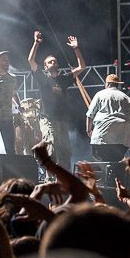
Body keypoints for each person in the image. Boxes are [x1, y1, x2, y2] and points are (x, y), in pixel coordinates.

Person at [27, 31, 85, 169]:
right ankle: (48, 176)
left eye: (55, 61)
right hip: (47, 118)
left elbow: (82, 67)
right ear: (45, 67)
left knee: (65, 151)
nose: (53, 62)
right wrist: (36, 43)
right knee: (51, 145)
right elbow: (30, 60)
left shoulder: (64, 79)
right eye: (50, 62)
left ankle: (63, 178)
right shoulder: (43, 78)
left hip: (61, 120)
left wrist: (76, 48)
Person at [86, 74, 130, 162]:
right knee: (115, 162)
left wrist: (89, 130)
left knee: (102, 162)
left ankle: (105, 175)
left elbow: (90, 115)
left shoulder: (99, 95)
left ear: (107, 84)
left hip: (102, 136)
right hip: (121, 138)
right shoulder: (127, 99)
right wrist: (129, 140)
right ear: (117, 85)